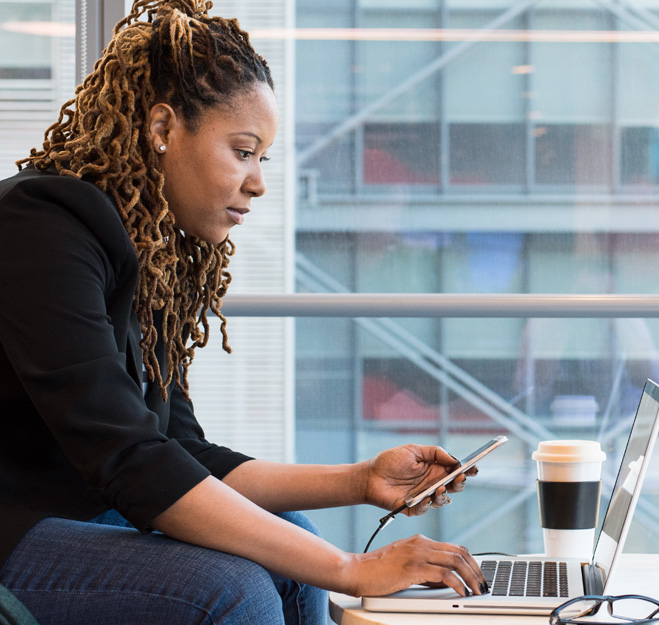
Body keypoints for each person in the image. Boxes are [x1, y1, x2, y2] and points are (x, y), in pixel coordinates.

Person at [0, 1, 487, 623]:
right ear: (163, 129)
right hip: (14, 528)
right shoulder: (43, 226)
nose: (258, 182)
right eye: (244, 150)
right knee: (235, 589)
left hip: (77, 514)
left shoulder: (144, 250)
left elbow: (180, 452)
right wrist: (350, 567)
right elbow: (131, 463)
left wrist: (361, 480)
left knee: (290, 542)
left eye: (263, 158)